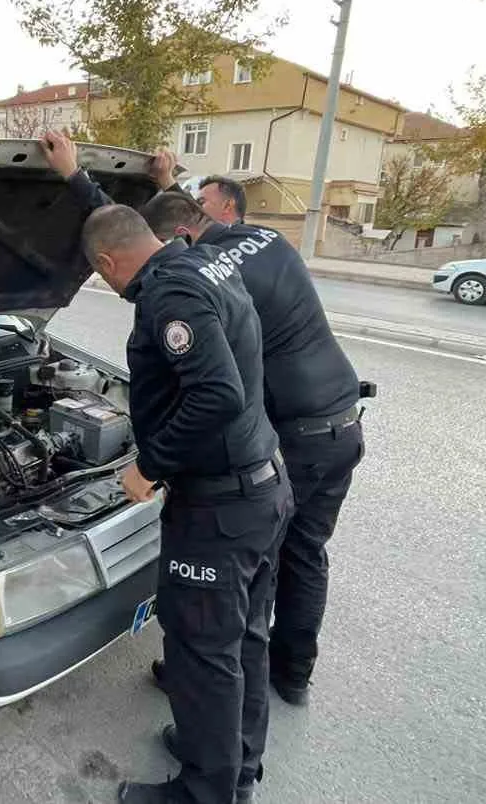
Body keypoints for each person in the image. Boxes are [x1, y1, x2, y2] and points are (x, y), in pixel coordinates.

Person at [41, 131, 292, 804]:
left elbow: (216, 394)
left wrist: (147, 466)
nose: (108, 284)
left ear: (106, 264)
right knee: (244, 639)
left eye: (101, 273)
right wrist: (75, 179)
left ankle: (207, 792)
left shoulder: (167, 296)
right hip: (264, 487)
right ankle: (236, 764)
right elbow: (119, 226)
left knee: (203, 650)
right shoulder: (201, 258)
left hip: (220, 508)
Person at [139, 181, 367, 707]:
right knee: (306, 553)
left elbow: (213, 387)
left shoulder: (211, 270)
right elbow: (185, 214)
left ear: (182, 237)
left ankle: (212, 679)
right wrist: (167, 184)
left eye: (167, 248)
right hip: (343, 420)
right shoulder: (264, 238)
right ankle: (292, 676)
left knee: (250, 566)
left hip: (299, 434)